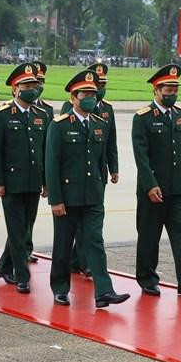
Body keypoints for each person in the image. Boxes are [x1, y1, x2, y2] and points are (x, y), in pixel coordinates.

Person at [46, 69, 129, 307]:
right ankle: (60, 288)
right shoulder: (59, 126)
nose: (91, 97)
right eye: (85, 93)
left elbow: (101, 159)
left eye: (94, 93)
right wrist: (56, 199)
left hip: (93, 195)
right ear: (74, 97)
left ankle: (104, 291)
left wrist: (105, 179)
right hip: (68, 196)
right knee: (63, 244)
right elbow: (52, 164)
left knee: (94, 241)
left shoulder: (100, 124)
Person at [131, 64, 181, 297]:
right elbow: (141, 157)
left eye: (175, 90)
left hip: (177, 188)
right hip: (153, 190)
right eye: (168, 90)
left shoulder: (179, 115)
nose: (172, 94)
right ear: (156, 90)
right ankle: (147, 279)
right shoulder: (142, 118)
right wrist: (150, 185)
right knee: (149, 236)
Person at [0, 63, 47, 294]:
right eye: (27, 85)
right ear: (15, 88)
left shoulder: (41, 115)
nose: (32, 89)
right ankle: (22, 276)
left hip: (33, 182)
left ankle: (4, 266)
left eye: (34, 85)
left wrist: (46, 182)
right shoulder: (2, 115)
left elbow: (44, 152)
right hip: (11, 184)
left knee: (24, 230)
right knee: (16, 230)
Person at [59, 62, 120, 276]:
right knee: (77, 226)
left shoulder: (107, 110)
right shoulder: (69, 111)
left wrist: (113, 167)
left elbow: (110, 142)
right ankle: (81, 261)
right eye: (95, 86)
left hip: (96, 174)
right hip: (74, 178)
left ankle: (82, 260)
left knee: (91, 226)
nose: (99, 90)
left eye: (101, 85)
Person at [26, 61, 54, 264]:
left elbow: (48, 147)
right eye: (34, 82)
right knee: (19, 221)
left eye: (41, 81)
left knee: (31, 217)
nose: (38, 86)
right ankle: (17, 257)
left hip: (37, 173)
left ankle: (26, 248)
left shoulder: (46, 111)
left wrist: (47, 180)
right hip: (17, 173)